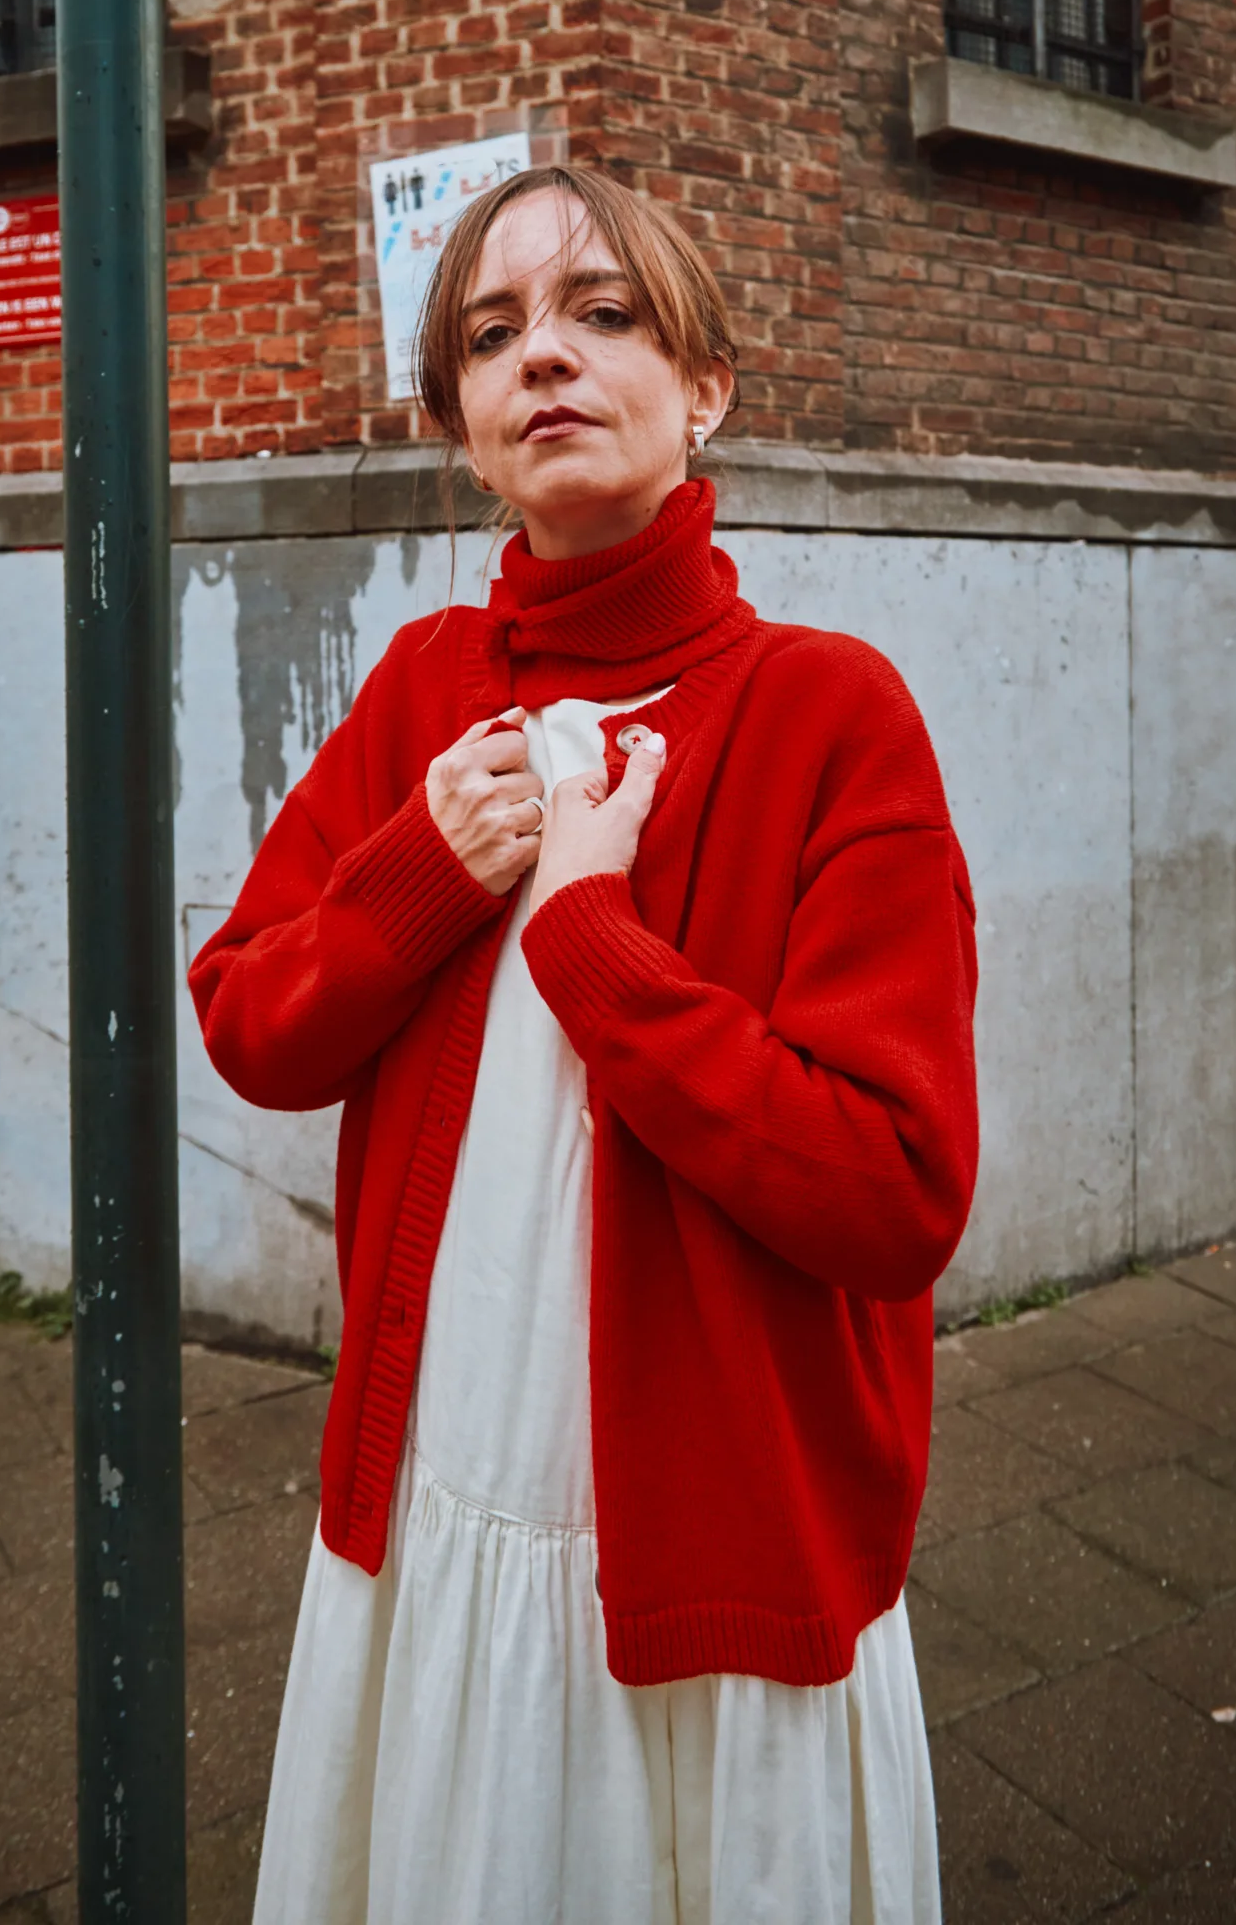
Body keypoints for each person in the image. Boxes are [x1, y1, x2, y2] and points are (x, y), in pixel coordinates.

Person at [189, 165, 979, 1924]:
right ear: (461, 430)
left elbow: (892, 1188)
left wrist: (590, 942)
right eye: (492, 334)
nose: (544, 355)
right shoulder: (414, 693)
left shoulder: (828, 714)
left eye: (602, 314)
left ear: (702, 389)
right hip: (443, 1487)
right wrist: (419, 872)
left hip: (715, 1535)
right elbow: (247, 1020)